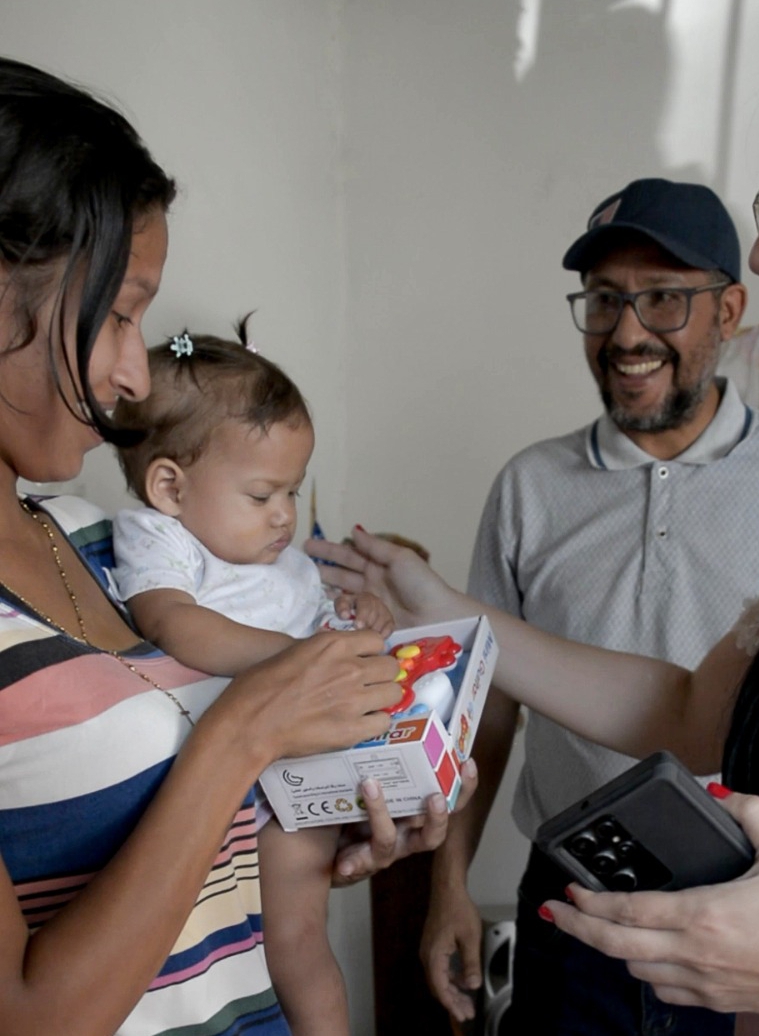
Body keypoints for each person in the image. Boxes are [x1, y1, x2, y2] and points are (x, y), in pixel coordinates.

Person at [304, 4, 759, 1031]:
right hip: (591, 901)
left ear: (719, 315)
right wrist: (441, 608)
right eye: (604, 299)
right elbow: (687, 711)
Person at [0, 55, 473, 1036]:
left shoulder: (99, 547)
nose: (134, 375)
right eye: (118, 312)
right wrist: (250, 727)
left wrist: (331, 804)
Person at [417, 178, 759, 1036]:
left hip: (752, 899)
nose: (626, 332)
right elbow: (487, 704)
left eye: (663, 299)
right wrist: (448, 886)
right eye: (605, 301)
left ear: (728, 312)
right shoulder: (529, 488)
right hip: (571, 901)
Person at [109, 324, 395, 1036]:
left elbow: (324, 621)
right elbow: (176, 624)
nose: (284, 516)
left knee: (298, 944)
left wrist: (358, 615)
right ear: (170, 487)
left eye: (293, 492)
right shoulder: (159, 538)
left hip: (298, 774)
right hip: (215, 784)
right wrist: (295, 659)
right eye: (264, 494)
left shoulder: (286, 561)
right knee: (235, 955)